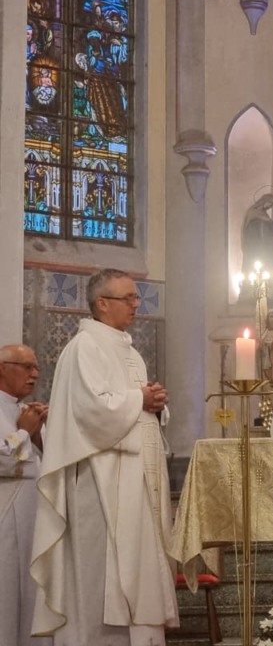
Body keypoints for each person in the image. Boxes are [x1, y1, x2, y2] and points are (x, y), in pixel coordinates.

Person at [31, 268, 178, 645]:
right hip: (100, 480)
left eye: (135, 296)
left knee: (137, 566)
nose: (136, 303)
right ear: (102, 303)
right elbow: (90, 411)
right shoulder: (84, 347)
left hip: (134, 478)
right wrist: (139, 400)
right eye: (128, 297)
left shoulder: (128, 350)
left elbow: (132, 406)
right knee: (101, 574)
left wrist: (155, 404)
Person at [0, 344, 50, 646]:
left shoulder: (22, 411)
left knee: (32, 596)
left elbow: (43, 460)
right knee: (5, 597)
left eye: (36, 367)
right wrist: (23, 433)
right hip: (5, 514)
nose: (35, 374)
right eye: (26, 367)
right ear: (2, 367)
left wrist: (35, 433)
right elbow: (4, 461)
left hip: (32, 513)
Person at [241, 191, 273, 272]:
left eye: (271, 204)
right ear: (263, 200)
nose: (269, 205)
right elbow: (248, 228)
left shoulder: (264, 215)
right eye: (269, 202)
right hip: (253, 242)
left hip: (263, 243)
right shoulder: (252, 212)